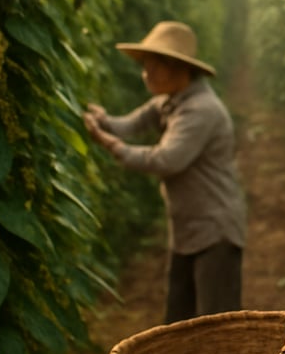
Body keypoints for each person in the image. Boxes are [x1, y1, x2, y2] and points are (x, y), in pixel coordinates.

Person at [83, 21, 247, 324]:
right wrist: (102, 120)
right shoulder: (168, 101)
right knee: (178, 323)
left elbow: (166, 159)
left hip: (215, 230)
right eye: (145, 66)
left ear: (178, 69)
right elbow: (130, 124)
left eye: (153, 66)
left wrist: (108, 143)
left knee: (219, 328)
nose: (146, 73)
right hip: (187, 229)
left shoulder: (201, 110)